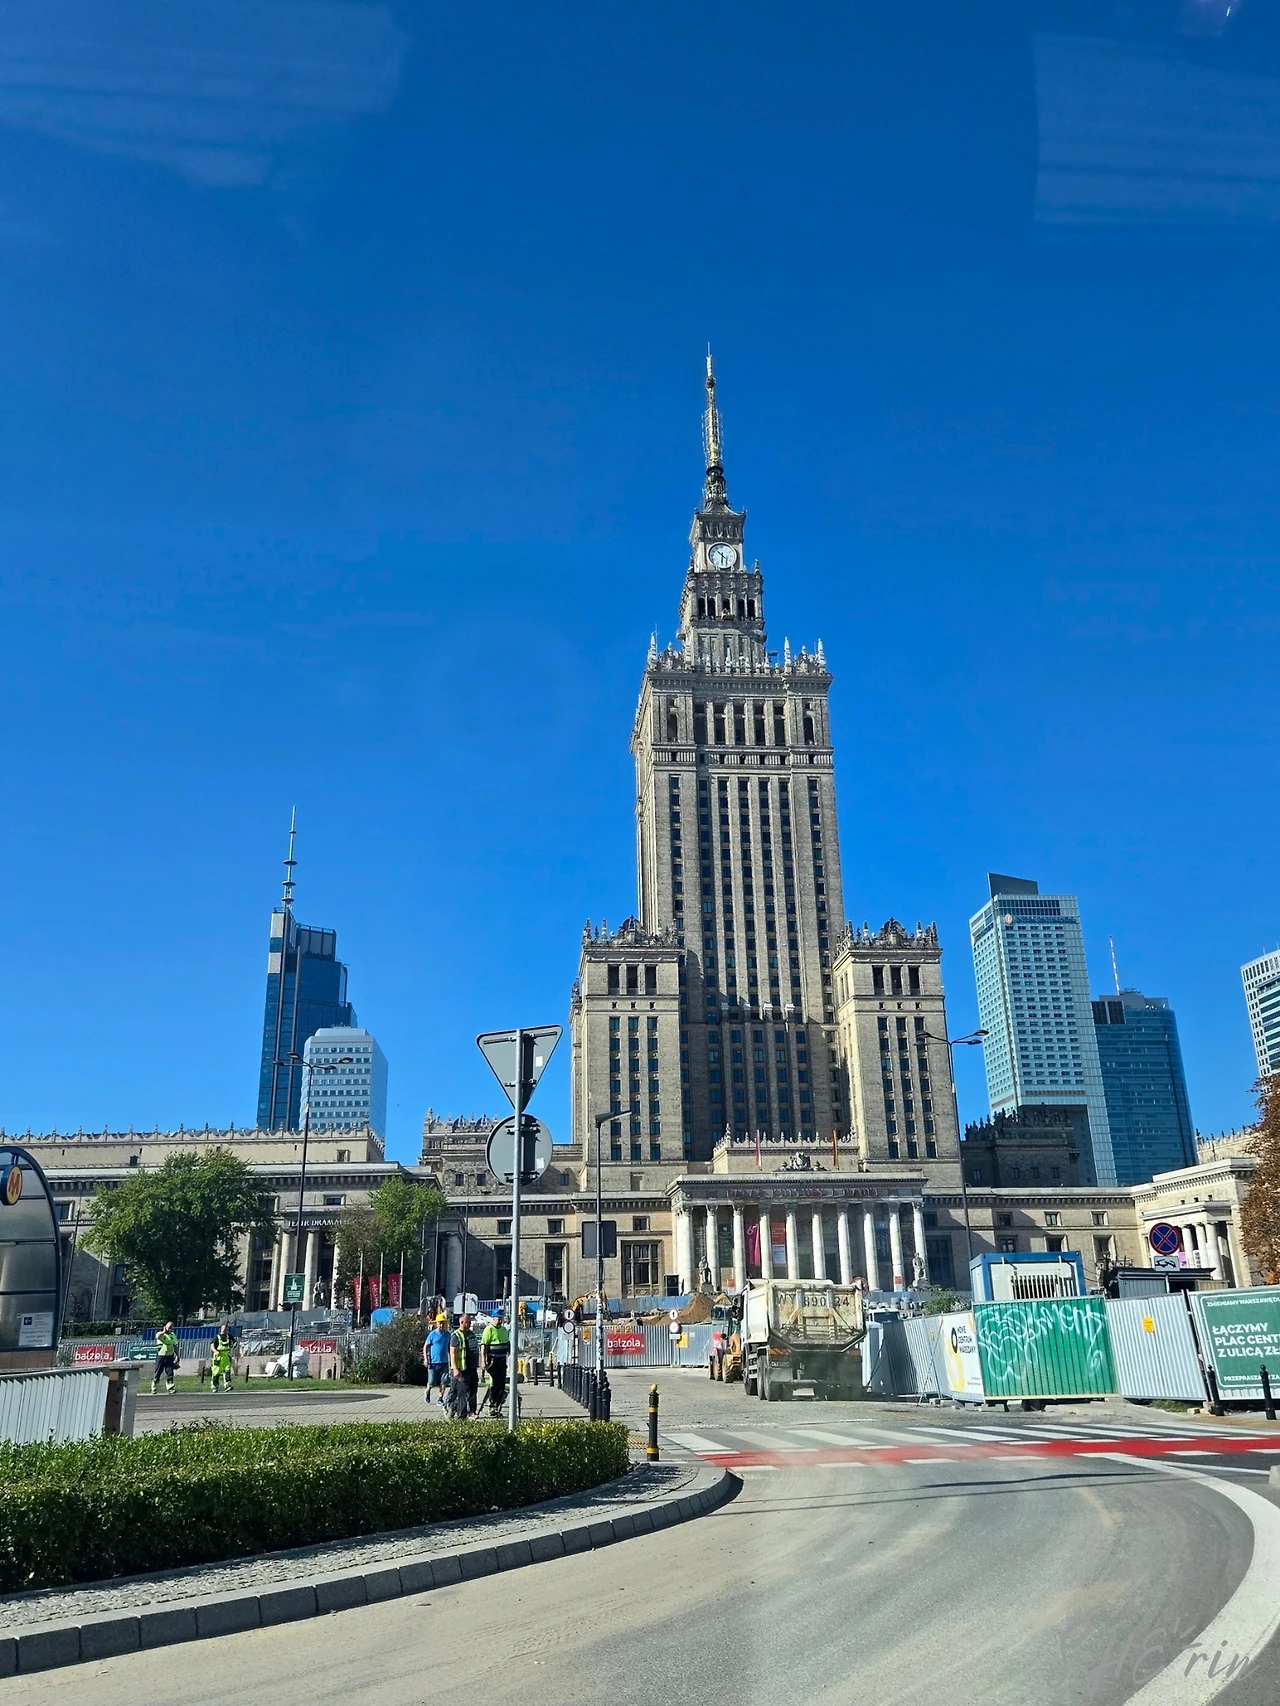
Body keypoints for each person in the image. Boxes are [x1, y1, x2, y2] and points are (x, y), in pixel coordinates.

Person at [479, 1311, 511, 1415]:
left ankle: (498, 1404)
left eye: (501, 1319)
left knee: (502, 1384)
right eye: (498, 1319)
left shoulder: (504, 1330)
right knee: (495, 1383)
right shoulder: (489, 1330)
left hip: (502, 1361)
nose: (500, 1321)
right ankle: (492, 1405)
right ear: (493, 1319)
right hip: (493, 1361)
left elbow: (507, 1343)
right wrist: (483, 1361)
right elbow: (484, 1346)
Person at [448, 1312, 479, 1417]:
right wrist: (455, 1369)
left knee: (473, 1390)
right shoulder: (456, 1336)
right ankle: (461, 1415)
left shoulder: (471, 1334)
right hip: (462, 1369)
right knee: (462, 1392)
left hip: (472, 1367)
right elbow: (452, 1353)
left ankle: (472, 1411)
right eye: (468, 1322)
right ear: (462, 1322)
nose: (470, 1324)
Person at [423, 1312, 451, 1407]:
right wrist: (426, 1359)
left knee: (444, 1381)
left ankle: (440, 1398)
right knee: (431, 1382)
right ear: (436, 1324)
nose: (441, 1325)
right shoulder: (432, 1334)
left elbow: (450, 1348)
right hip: (433, 1362)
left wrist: (452, 1360)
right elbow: (426, 1346)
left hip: (444, 1362)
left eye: (443, 1323)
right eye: (440, 1323)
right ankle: (427, 1391)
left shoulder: (448, 1335)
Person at [151, 1322, 179, 1394]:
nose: (170, 1329)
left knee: (170, 1372)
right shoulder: (160, 1334)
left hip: (169, 1356)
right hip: (161, 1356)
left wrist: (177, 1355)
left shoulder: (173, 1335)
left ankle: (170, 1387)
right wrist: (164, 1331)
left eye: (171, 1328)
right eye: (169, 1327)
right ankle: (154, 1388)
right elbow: (158, 1336)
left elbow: (175, 1345)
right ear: (165, 1327)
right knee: (158, 1372)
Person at [210, 1323, 234, 1394]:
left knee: (227, 1371)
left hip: (226, 1356)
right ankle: (214, 1386)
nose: (225, 1330)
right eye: (223, 1328)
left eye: (226, 1328)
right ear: (221, 1329)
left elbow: (234, 1342)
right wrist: (215, 1351)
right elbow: (212, 1345)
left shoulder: (229, 1336)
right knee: (216, 1372)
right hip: (218, 1356)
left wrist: (233, 1345)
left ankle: (227, 1385)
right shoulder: (217, 1337)